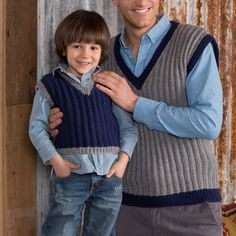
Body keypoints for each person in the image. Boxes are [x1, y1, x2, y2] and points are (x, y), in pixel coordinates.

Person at [49, 1, 223, 235]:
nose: (141, 2)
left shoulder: (193, 42)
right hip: (126, 209)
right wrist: (60, 125)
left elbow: (209, 123)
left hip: (191, 208)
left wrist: (135, 104)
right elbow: (90, 121)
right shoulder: (99, 55)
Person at [29, 9, 138, 236]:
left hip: (110, 179)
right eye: (77, 46)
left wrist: (122, 162)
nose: (85, 54)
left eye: (93, 47)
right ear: (64, 48)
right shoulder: (50, 85)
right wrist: (57, 162)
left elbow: (128, 129)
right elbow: (37, 129)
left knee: (103, 232)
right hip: (71, 177)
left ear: (101, 51)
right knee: (59, 230)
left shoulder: (107, 84)